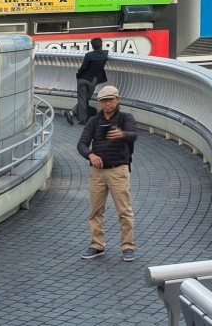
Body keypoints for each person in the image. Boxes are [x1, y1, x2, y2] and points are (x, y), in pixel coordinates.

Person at [76, 84, 137, 261]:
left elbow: (134, 135)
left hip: (118, 170)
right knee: (95, 211)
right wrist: (90, 154)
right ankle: (97, 245)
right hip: (97, 172)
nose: (107, 104)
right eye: (103, 101)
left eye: (110, 100)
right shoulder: (93, 121)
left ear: (117, 100)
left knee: (124, 210)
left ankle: (127, 246)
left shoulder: (125, 118)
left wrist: (122, 134)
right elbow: (81, 144)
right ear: (100, 102)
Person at [74, 37, 109, 124]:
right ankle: (73, 112)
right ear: (101, 45)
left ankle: (82, 119)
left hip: (83, 79)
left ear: (92, 46)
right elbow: (105, 52)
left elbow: (83, 68)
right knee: (86, 99)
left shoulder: (88, 55)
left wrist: (78, 74)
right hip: (93, 81)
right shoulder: (105, 54)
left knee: (82, 99)